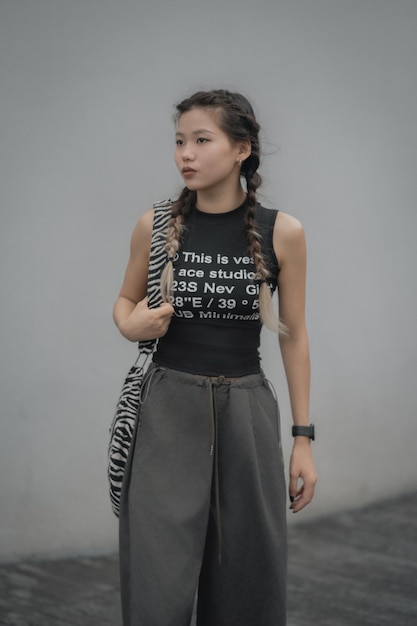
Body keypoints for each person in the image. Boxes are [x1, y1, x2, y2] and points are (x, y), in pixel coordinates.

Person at [113, 89, 317, 626]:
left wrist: (303, 437)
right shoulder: (154, 225)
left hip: (247, 411)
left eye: (203, 140)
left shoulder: (283, 232)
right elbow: (125, 302)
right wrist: (130, 323)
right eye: (180, 141)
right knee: (158, 576)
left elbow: (293, 336)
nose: (186, 154)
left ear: (241, 149)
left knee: (248, 573)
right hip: (167, 409)